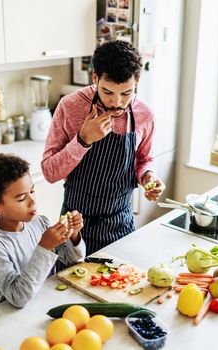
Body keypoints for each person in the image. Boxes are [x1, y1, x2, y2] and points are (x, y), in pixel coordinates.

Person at [41, 40, 164, 255]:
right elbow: (50, 173)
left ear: (137, 81)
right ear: (95, 78)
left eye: (126, 93)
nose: (116, 103)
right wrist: (82, 140)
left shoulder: (145, 114)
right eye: (108, 92)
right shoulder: (70, 107)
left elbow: (144, 160)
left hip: (120, 225)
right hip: (74, 228)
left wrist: (148, 178)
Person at [0, 154, 85, 309]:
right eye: (21, 198)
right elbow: (18, 297)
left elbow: (72, 261)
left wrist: (74, 235)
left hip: (43, 307)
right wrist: (44, 247)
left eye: (32, 191)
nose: (33, 202)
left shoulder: (40, 223)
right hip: (7, 321)